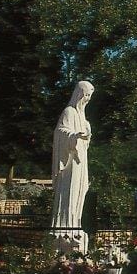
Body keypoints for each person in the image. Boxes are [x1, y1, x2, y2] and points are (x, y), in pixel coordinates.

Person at [51, 81, 94, 253]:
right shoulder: (69, 112)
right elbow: (60, 132)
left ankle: (75, 226)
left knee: (79, 194)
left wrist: (87, 134)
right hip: (69, 163)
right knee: (68, 193)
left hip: (80, 162)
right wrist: (74, 135)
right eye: (86, 95)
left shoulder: (83, 118)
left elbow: (86, 143)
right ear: (79, 94)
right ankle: (63, 229)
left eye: (90, 96)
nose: (88, 99)